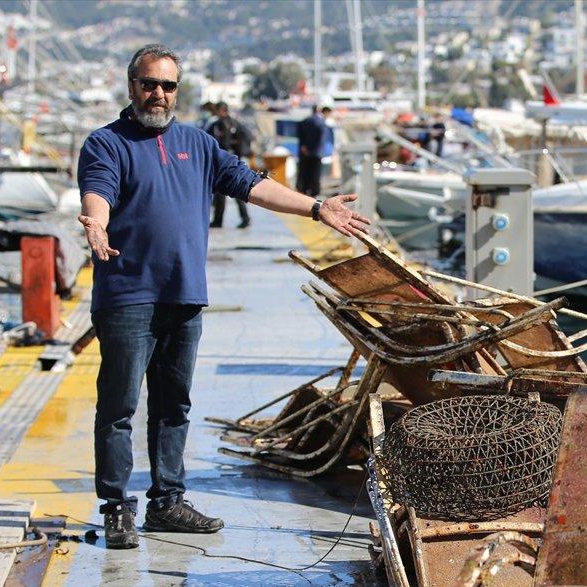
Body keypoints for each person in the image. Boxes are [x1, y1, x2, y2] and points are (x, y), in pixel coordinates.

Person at [76, 44, 369, 550]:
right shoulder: (106, 144)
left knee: (174, 406)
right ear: (132, 86)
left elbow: (253, 185)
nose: (159, 94)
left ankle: (167, 502)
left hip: (183, 295)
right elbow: (98, 190)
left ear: (178, 91)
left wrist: (318, 208)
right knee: (119, 406)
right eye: (150, 84)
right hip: (126, 296)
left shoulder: (198, 143)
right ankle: (116, 508)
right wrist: (96, 223)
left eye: (168, 85)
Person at [207, 101, 253, 228]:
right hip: (227, 162)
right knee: (226, 192)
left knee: (231, 192)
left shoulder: (228, 124)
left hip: (229, 162)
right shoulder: (220, 125)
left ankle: (240, 219)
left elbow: (247, 137)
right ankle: (222, 220)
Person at [295, 103, 331, 197]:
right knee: (315, 174)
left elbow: (299, 133)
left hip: (304, 151)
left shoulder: (305, 120)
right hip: (316, 153)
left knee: (304, 172)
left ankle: (302, 189)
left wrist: (304, 146)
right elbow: (321, 139)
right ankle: (314, 192)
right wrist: (314, 150)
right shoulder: (321, 122)